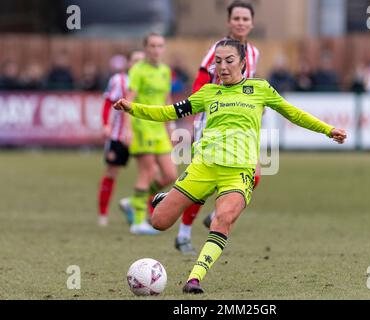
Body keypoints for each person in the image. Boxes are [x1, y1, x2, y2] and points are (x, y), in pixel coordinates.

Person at [113, 39, 347, 294]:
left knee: (223, 219)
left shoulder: (260, 89)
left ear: (243, 63)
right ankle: (166, 198)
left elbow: (294, 113)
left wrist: (328, 130)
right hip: (204, 167)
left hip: (238, 173)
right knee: (159, 221)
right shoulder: (208, 93)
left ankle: (194, 278)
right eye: (218, 61)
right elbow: (169, 112)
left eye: (229, 60)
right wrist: (131, 107)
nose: (222, 67)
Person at [175, 0, 260, 255]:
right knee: (204, 183)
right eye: (236, 18)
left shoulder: (254, 53)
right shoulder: (218, 49)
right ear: (228, 22)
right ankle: (183, 234)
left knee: (254, 176)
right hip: (211, 124)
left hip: (241, 127)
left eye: (245, 19)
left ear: (251, 23)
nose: (241, 23)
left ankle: (215, 213)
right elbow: (200, 83)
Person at [119, 33, 178, 235]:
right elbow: (129, 99)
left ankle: (135, 201)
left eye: (160, 45)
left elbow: (167, 100)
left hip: (160, 127)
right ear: (145, 48)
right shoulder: (137, 70)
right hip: (141, 126)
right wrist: (127, 129)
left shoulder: (165, 71)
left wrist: (171, 127)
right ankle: (137, 222)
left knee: (170, 174)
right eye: (152, 46)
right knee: (148, 172)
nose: (156, 49)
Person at [97, 51, 144, 226]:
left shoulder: (149, 80)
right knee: (111, 172)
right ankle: (103, 213)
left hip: (143, 135)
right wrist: (105, 124)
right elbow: (108, 102)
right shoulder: (119, 80)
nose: (139, 64)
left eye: (142, 61)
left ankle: (138, 209)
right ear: (129, 64)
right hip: (119, 136)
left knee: (151, 173)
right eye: (135, 61)